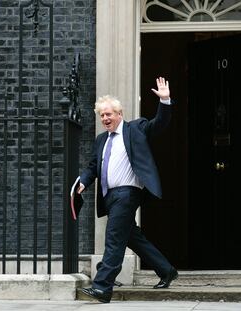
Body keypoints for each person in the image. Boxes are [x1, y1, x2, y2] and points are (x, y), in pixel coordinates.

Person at [77, 77, 178, 303]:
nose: (105, 118)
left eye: (109, 114)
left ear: (119, 113)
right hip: (109, 196)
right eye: (102, 115)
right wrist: (83, 181)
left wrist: (165, 101)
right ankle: (166, 270)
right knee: (131, 237)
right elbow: (94, 166)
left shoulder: (136, 129)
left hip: (127, 193)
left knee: (113, 238)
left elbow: (159, 124)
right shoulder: (101, 139)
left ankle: (102, 287)